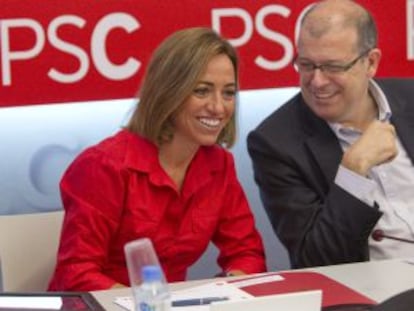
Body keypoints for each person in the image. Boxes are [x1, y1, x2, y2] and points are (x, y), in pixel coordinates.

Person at [49, 27, 266, 291]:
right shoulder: (103, 166)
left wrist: (230, 289)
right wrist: (141, 304)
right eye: (201, 91)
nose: (219, 107)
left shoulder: (218, 165)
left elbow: (247, 252)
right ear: (168, 92)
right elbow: (76, 274)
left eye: (228, 93)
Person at [247, 0, 414, 269]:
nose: (317, 81)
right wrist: (352, 171)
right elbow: (318, 260)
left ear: (370, 62)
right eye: (306, 64)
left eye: (333, 67)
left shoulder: (410, 98)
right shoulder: (275, 143)